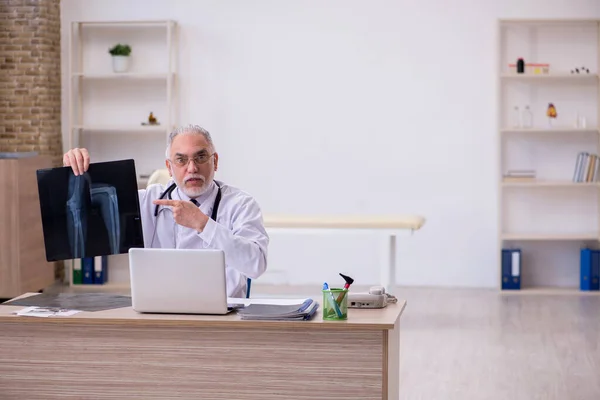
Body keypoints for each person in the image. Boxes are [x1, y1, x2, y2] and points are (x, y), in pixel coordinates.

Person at [62, 124, 269, 298]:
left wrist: (203, 224)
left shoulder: (240, 205)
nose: (192, 168)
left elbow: (256, 264)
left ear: (214, 161)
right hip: (159, 314)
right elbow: (80, 215)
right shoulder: (148, 201)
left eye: (200, 157)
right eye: (181, 160)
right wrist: (72, 172)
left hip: (224, 318)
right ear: (169, 167)